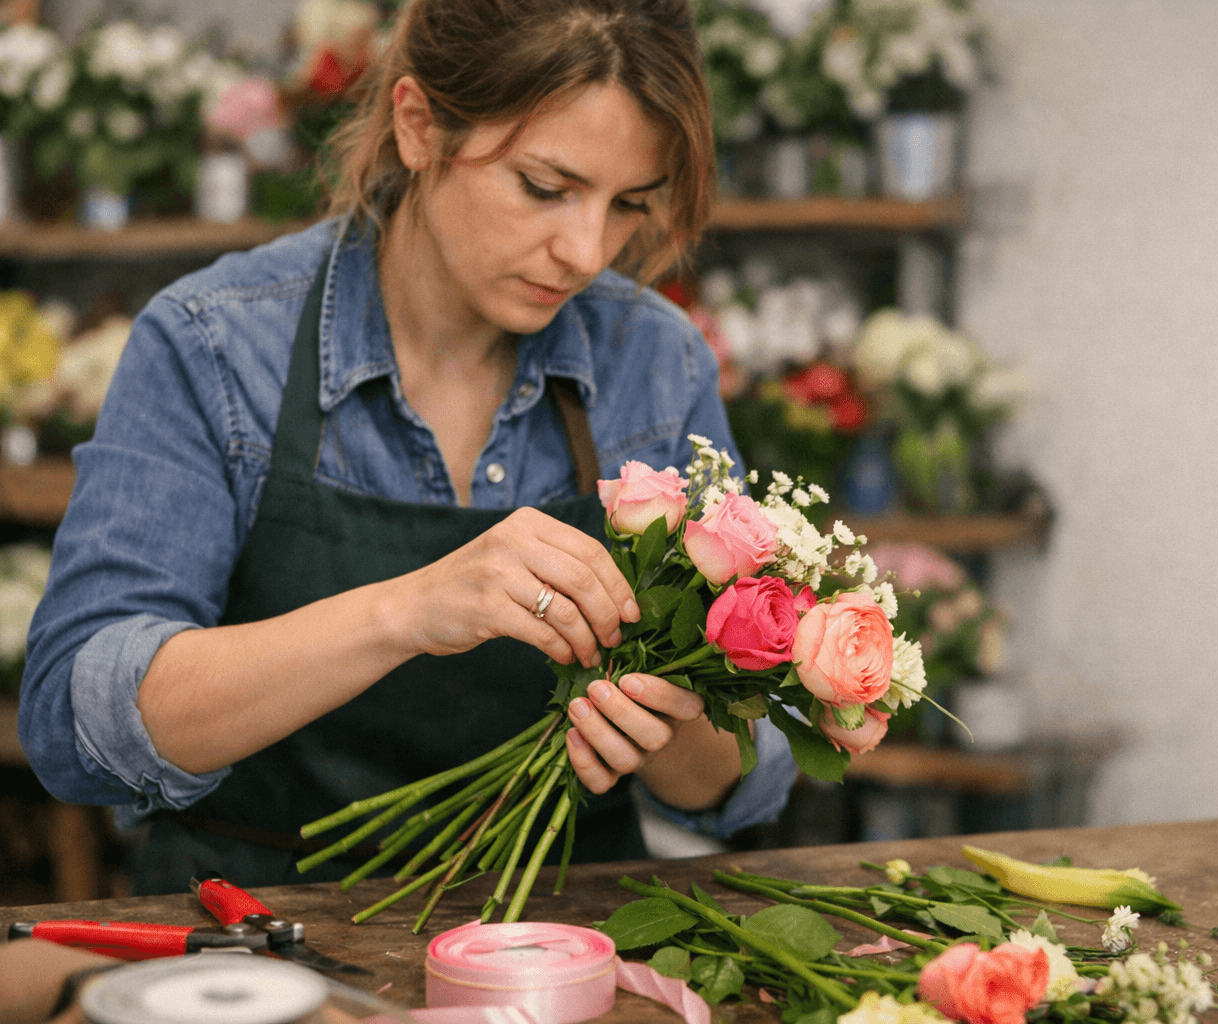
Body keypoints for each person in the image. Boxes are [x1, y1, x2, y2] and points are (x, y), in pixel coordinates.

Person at [18, 0, 795, 896]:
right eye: (545, 187)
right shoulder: (215, 345)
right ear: (419, 124)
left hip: (563, 944)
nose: (586, 251)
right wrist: (403, 613)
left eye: (628, 204)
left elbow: (742, 784)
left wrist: (676, 732)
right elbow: (75, 726)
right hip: (252, 938)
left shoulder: (655, 362)